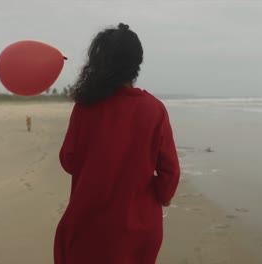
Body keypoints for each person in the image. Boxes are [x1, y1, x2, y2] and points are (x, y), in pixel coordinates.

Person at [54, 23, 180, 264]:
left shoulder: (85, 107)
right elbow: (170, 173)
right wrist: (160, 193)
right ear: (137, 64)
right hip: (139, 230)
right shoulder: (154, 109)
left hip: (88, 224)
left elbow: (68, 160)